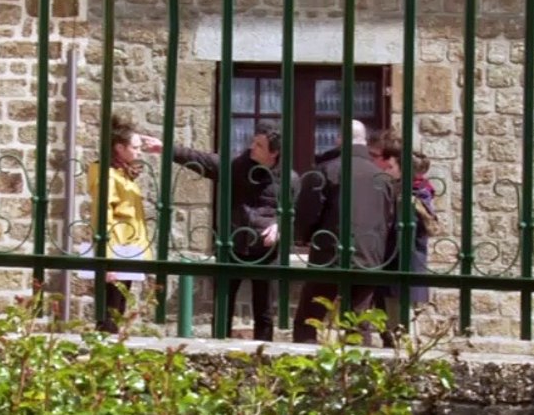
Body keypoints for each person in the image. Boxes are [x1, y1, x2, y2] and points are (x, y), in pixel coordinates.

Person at [140, 120, 298, 341]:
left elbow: (295, 213)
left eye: (259, 145)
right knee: (223, 306)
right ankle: (219, 343)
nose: (252, 147)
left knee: (264, 312)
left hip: (266, 253)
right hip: (233, 246)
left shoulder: (290, 179)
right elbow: (202, 159)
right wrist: (166, 148)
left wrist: (279, 226)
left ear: (274, 152)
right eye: (253, 142)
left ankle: (263, 353)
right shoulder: (236, 166)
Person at [292, 120, 396, 344]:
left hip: (330, 256)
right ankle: (359, 364)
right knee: (357, 324)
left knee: (309, 320)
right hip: (369, 257)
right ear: (364, 141)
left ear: (339, 139)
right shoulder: (382, 177)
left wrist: (304, 237)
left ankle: (305, 364)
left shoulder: (327, 170)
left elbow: (307, 212)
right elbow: (387, 218)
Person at [369, 130, 442, 345]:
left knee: (402, 328)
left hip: (402, 265)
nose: (386, 170)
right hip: (394, 267)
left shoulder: (412, 196)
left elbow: (403, 233)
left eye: (391, 166)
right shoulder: (405, 191)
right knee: (393, 326)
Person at [85, 114, 152, 334]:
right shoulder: (107, 175)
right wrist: (108, 258)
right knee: (110, 310)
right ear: (119, 148)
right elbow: (103, 215)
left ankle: (110, 345)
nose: (139, 152)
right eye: (135, 147)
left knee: (118, 307)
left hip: (129, 248)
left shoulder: (123, 173)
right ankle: (104, 347)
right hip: (117, 248)